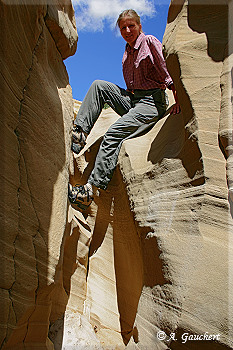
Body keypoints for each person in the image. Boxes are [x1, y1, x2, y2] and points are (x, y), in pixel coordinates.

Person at [68, 9, 181, 209]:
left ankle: (89, 192)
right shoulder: (126, 53)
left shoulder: (148, 42)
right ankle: (79, 134)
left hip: (152, 102)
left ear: (139, 26)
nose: (127, 30)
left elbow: (166, 71)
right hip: (134, 100)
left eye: (131, 26)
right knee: (98, 86)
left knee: (114, 133)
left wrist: (178, 97)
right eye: (123, 27)